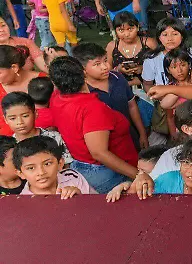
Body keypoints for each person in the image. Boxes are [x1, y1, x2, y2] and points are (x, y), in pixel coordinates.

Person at [47, 56, 139, 194]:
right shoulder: (91, 108)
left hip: (84, 165)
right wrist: (139, 175)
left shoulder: (56, 97)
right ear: (84, 73)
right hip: (107, 172)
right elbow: (99, 153)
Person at [73, 42, 148, 151]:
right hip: (106, 146)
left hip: (130, 136)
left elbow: (132, 106)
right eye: (97, 64)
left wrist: (142, 133)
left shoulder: (118, 78)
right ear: (83, 70)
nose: (105, 67)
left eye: (105, 60)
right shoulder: (83, 92)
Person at [13, 135, 97, 198]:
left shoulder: (72, 177)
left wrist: (81, 198)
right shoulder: (24, 200)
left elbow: (98, 205)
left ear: (60, 164)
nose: (41, 172)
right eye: (31, 168)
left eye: (47, 164)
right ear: (20, 173)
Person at [2, 91, 71, 164]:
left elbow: (66, 166)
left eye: (25, 116)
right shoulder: (9, 148)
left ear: (35, 114)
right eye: (13, 118)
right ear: (5, 119)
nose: (20, 122)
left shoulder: (53, 137)